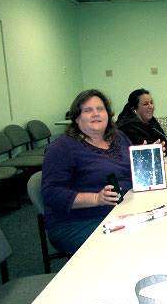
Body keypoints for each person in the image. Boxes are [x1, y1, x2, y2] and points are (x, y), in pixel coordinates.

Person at [42, 89, 132, 255]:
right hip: (77, 222)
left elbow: (130, 167)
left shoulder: (118, 137)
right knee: (133, 241)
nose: (95, 114)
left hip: (120, 210)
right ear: (77, 117)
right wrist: (96, 198)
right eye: (88, 110)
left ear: (108, 114)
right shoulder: (62, 148)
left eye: (100, 109)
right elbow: (51, 193)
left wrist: (149, 155)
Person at [116, 88, 167, 152]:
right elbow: (153, 150)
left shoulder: (151, 121)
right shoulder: (130, 127)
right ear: (134, 109)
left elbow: (162, 142)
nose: (150, 106)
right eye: (146, 104)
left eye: (151, 103)